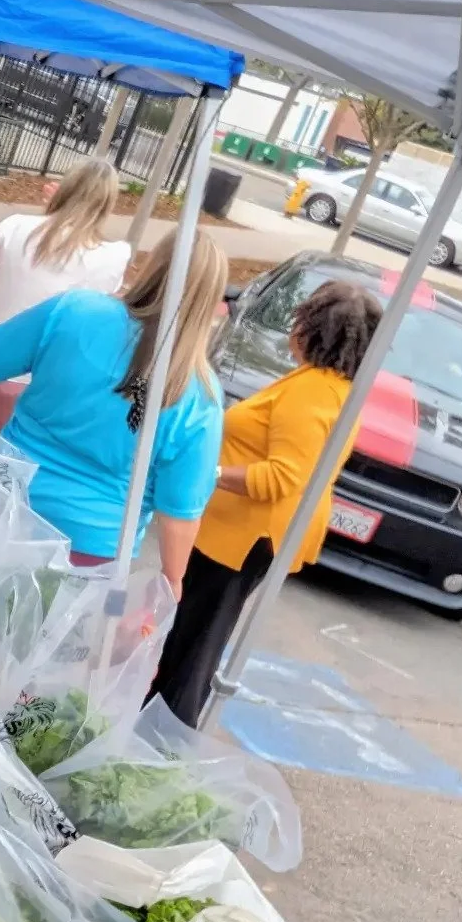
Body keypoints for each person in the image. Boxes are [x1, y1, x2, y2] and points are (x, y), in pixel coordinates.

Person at [0, 231, 228, 595]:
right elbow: (179, 513)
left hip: (0, 504)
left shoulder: (74, 311)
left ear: (153, 265)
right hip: (90, 552)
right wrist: (173, 580)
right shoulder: (201, 396)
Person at [150, 280, 383, 726]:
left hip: (242, 540)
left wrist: (208, 474)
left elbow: (283, 477)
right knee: (189, 640)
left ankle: (163, 736)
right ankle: (159, 727)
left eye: (300, 320)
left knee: (192, 648)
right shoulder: (331, 389)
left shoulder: (314, 392)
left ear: (313, 331)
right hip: (238, 535)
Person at [0, 159, 131, 429]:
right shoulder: (114, 257)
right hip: (39, 388)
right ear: (107, 205)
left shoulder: (13, 227)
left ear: (64, 188)